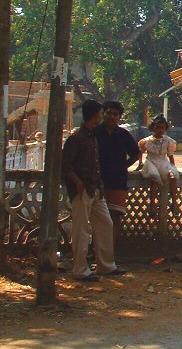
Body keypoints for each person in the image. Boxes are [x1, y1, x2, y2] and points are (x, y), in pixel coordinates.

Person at [62, 99, 125, 281]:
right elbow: (65, 166)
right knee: (81, 231)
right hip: (81, 190)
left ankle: (105, 265)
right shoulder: (77, 138)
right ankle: (80, 270)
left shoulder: (91, 136)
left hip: (95, 189)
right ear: (94, 115)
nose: (103, 115)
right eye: (100, 112)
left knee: (106, 224)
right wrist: (78, 182)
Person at [96, 100, 140, 242]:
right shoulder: (95, 133)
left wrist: (122, 166)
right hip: (96, 181)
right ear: (103, 114)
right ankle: (96, 252)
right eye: (109, 113)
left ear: (119, 117)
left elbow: (135, 154)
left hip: (118, 181)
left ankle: (111, 253)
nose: (112, 117)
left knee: (115, 217)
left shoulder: (123, 135)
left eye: (116, 114)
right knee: (96, 219)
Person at [138, 114, 181, 217]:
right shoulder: (147, 141)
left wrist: (173, 167)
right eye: (157, 127)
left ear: (165, 129)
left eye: (162, 128)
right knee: (154, 178)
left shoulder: (168, 141)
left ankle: (174, 202)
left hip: (164, 163)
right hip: (151, 163)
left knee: (173, 176)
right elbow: (140, 152)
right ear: (153, 127)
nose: (160, 130)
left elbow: (170, 156)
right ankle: (152, 204)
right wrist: (140, 164)